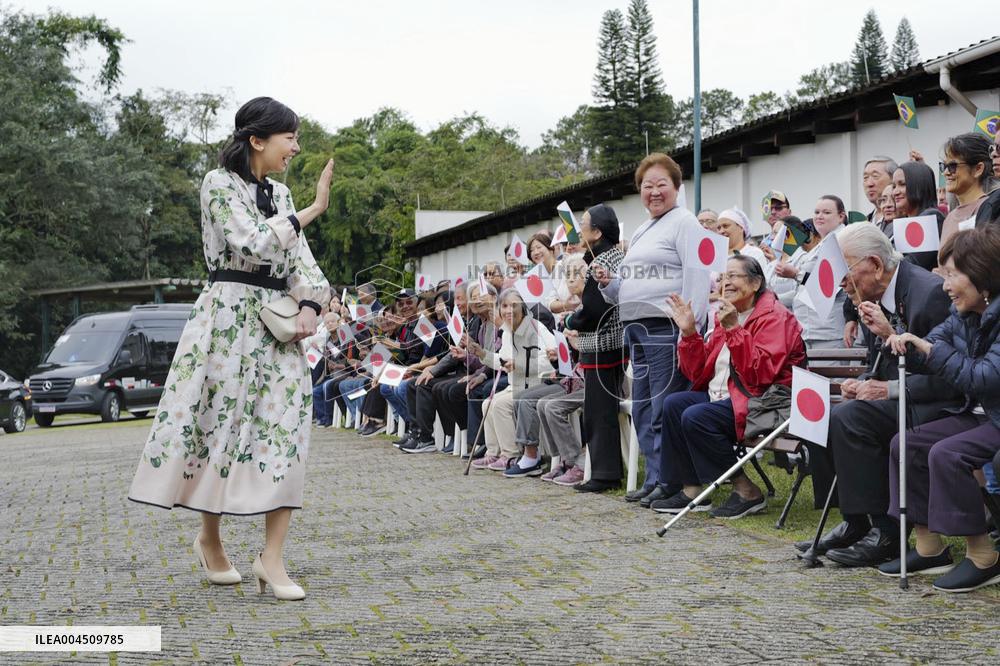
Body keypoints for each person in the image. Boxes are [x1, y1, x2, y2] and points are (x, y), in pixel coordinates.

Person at [128, 97, 332, 601]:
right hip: (226, 318)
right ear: (257, 139)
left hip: (277, 322)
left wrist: (311, 305)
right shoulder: (218, 183)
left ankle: (273, 557)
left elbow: (300, 260)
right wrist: (314, 209)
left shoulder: (281, 194)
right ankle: (210, 539)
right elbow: (251, 242)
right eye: (290, 137)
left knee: (285, 429)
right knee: (220, 424)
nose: (296, 147)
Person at [799, 222, 962, 567]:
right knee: (829, 415)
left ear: (873, 263)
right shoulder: (870, 294)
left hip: (937, 404)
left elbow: (948, 378)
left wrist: (885, 388)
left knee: (851, 419)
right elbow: (880, 362)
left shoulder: (927, 293)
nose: (841, 282)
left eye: (846, 271)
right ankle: (857, 521)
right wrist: (861, 382)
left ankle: (887, 531)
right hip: (899, 397)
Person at [874, 228, 1000, 591]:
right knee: (906, 444)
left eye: (953, 275)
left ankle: (984, 556)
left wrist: (927, 349)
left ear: (983, 273)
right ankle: (929, 548)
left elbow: (982, 377)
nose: (945, 285)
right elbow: (935, 346)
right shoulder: (963, 313)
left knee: (948, 453)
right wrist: (904, 344)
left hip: (996, 416)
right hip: (977, 414)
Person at [593, 153, 709, 504]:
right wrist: (608, 282)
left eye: (662, 184)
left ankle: (672, 480)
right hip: (635, 326)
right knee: (643, 407)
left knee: (661, 406)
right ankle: (656, 475)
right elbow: (625, 288)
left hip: (664, 326)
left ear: (676, 187)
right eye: (647, 186)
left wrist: (691, 325)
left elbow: (697, 274)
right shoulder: (643, 228)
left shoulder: (685, 222)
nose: (654, 192)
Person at [650, 256, 805, 516]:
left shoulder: (776, 317)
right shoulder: (727, 315)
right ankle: (692, 490)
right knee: (675, 404)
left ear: (756, 283)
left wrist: (734, 329)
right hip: (728, 398)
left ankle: (747, 491)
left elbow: (761, 375)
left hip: (766, 401)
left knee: (697, 416)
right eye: (722, 278)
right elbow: (696, 372)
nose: (726, 283)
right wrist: (689, 334)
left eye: (733, 276)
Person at [563, 205, 626, 492]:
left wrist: (570, 319)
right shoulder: (607, 256)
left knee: (599, 413)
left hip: (604, 346)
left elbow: (593, 310)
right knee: (598, 412)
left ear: (598, 232)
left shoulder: (605, 260)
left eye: (584, 224)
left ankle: (605, 474)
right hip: (605, 345)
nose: (579, 229)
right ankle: (604, 470)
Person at [472, 289, 556, 473]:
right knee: (487, 404)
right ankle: (494, 452)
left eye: (513, 305)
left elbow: (549, 362)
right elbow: (503, 362)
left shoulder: (536, 328)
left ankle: (510, 454)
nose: (509, 310)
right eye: (504, 306)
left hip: (537, 384)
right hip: (516, 385)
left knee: (500, 404)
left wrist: (517, 364)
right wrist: (482, 354)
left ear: (523, 308)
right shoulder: (507, 332)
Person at [776, 196, 848, 353]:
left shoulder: (841, 240)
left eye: (826, 212)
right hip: (810, 330)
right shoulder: (820, 244)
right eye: (816, 212)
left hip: (828, 332)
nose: (819, 216)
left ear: (841, 216)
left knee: (831, 377)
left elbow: (831, 284)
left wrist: (796, 274)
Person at [939, 133, 995, 247]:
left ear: (978, 169)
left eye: (953, 166)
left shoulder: (992, 210)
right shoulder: (949, 218)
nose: (946, 172)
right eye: (943, 166)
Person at [892, 161, 944, 271]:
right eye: (894, 186)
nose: (895, 192)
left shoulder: (931, 216)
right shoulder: (904, 221)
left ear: (919, 185)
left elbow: (912, 265)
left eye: (902, 184)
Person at [862, 156, 899, 227]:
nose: (869, 184)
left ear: (893, 178)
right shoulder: (865, 222)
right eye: (865, 178)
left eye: (875, 176)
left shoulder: (904, 217)